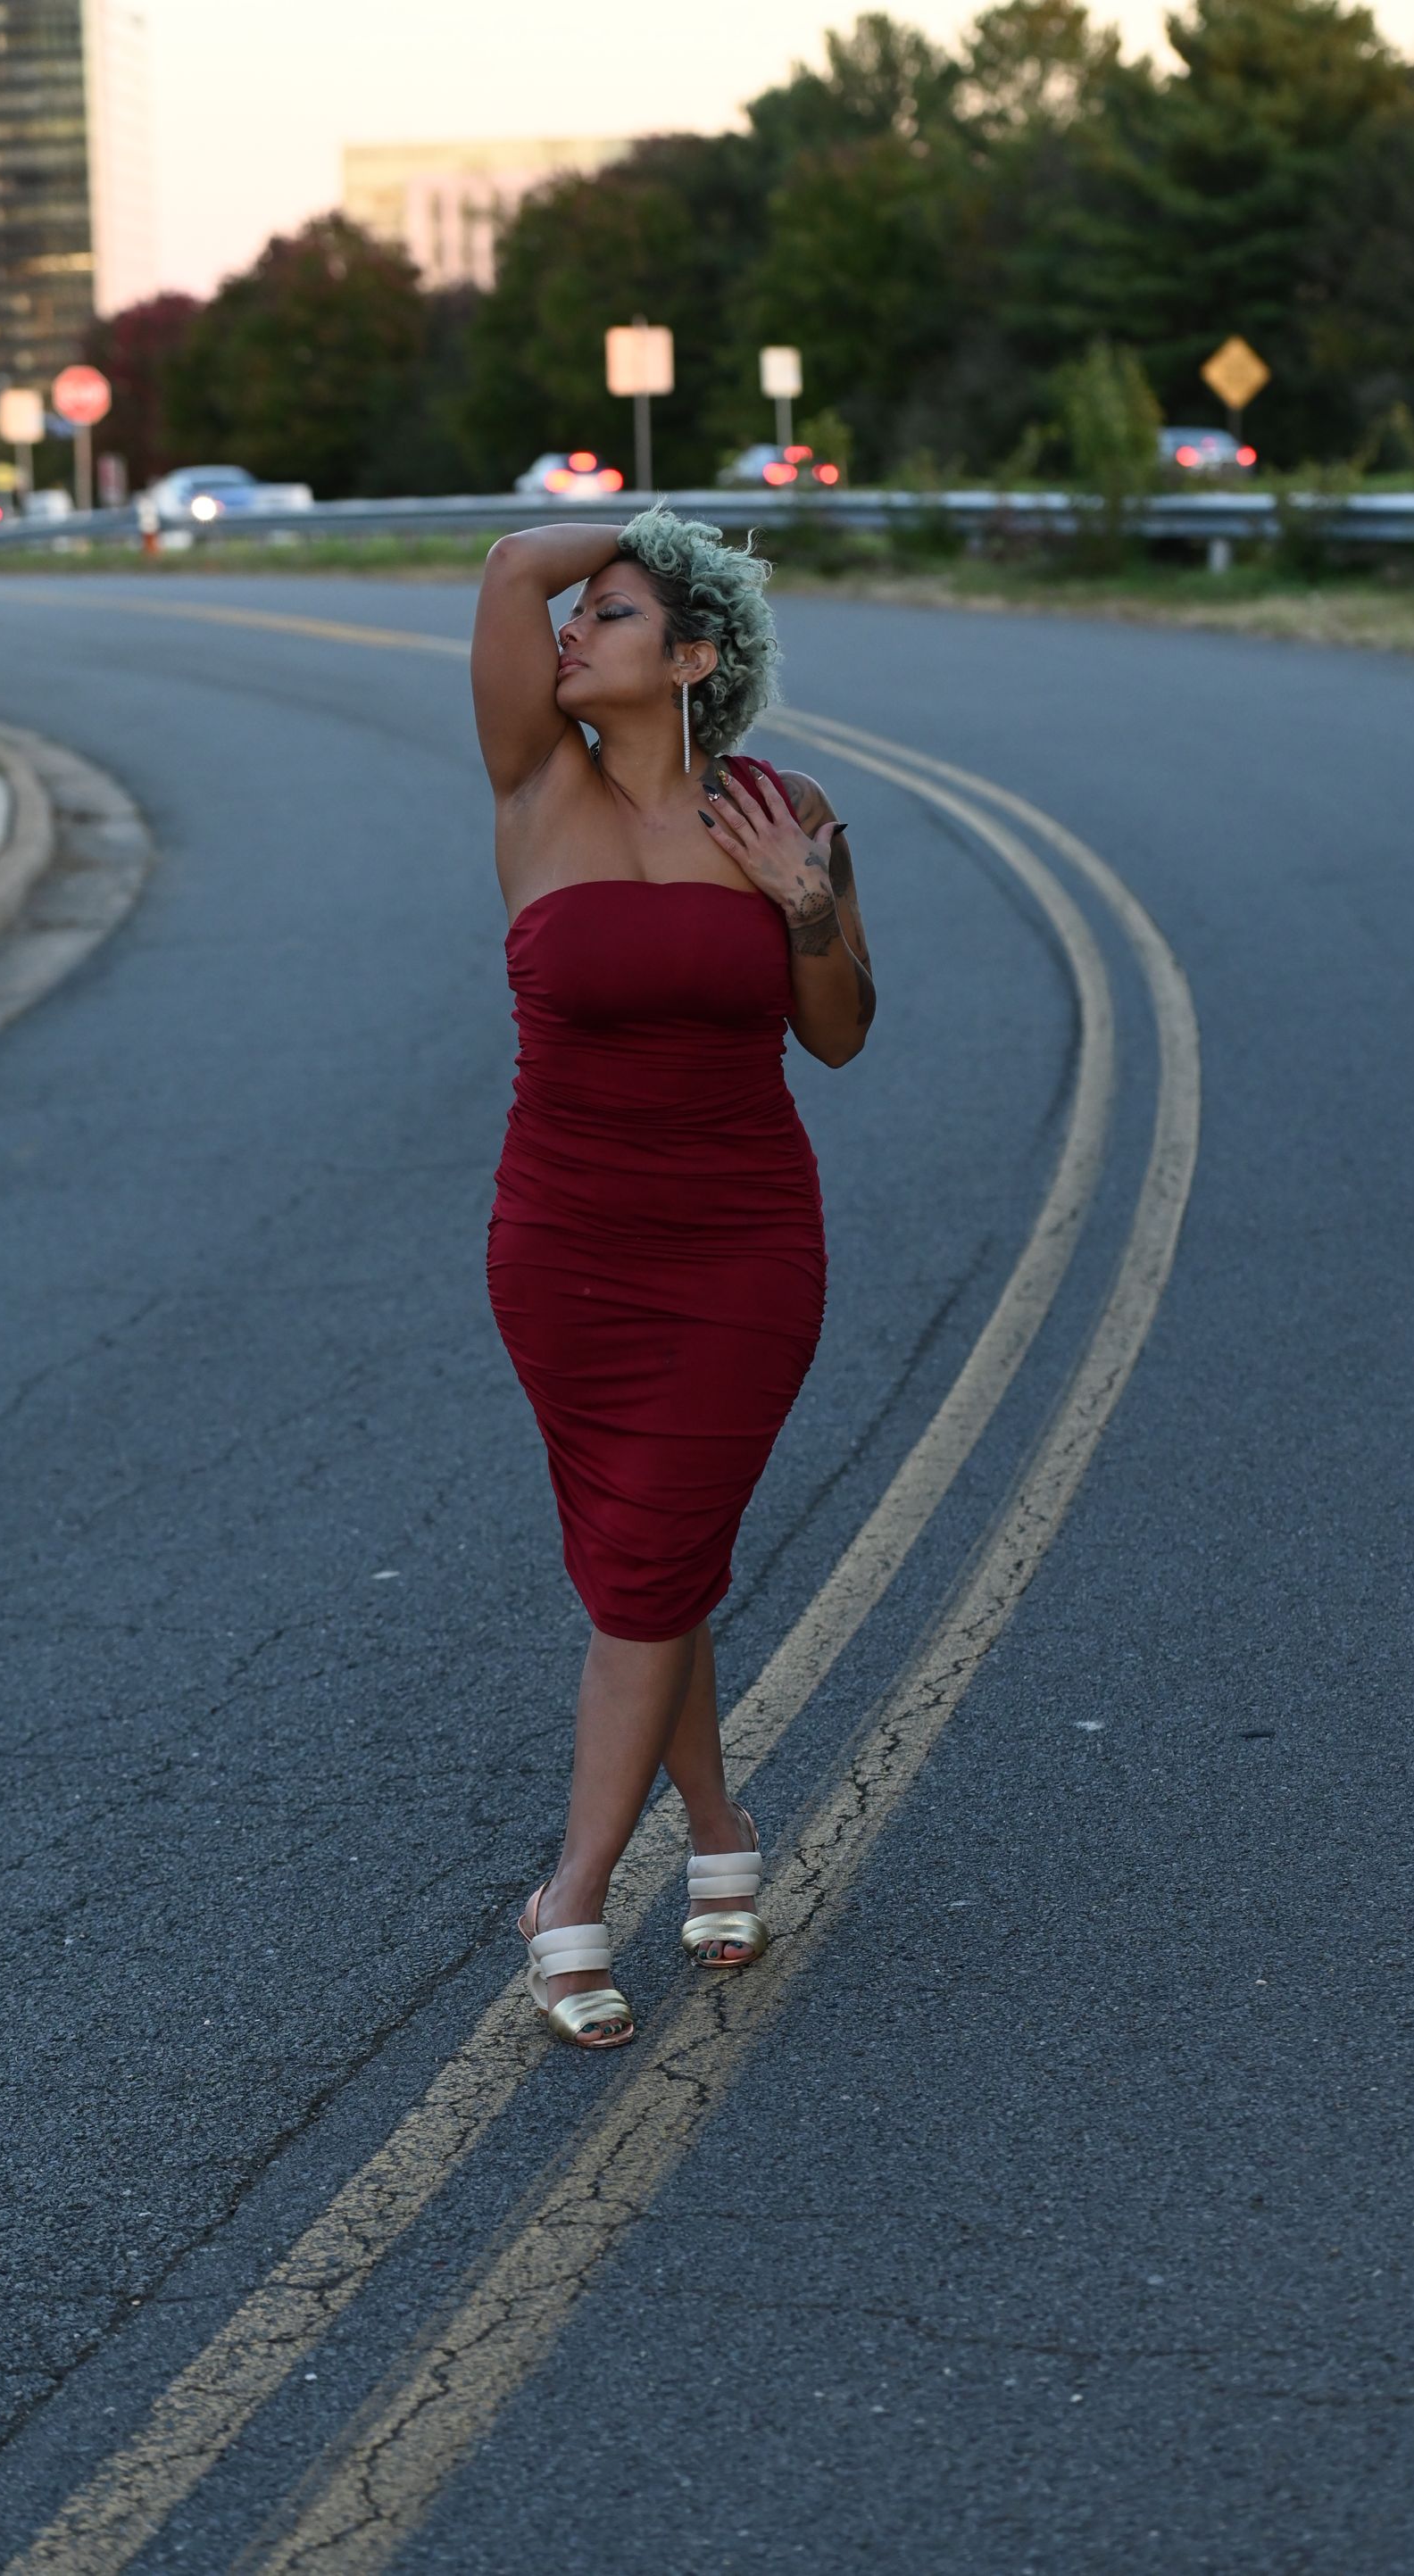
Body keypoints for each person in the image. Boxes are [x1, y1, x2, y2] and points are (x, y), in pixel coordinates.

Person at [471, 505, 875, 2050]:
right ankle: (717, 1830)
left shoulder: (787, 807)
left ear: (695, 661)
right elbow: (517, 562)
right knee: (657, 1559)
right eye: (590, 617)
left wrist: (808, 907)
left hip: (741, 1242)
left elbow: (838, 1031)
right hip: (562, 1244)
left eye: (620, 616)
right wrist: (648, 527)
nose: (576, 632)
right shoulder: (532, 784)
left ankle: (569, 1893)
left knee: (649, 1554)